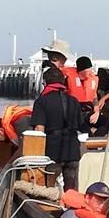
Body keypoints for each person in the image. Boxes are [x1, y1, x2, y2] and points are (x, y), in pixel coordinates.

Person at [30, 62, 83, 192]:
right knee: (71, 188)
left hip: (52, 152)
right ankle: (71, 210)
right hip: (72, 150)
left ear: (46, 83)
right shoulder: (73, 101)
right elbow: (80, 126)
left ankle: (51, 209)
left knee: (49, 188)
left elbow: (39, 130)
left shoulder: (42, 101)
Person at [65, 55, 98, 125]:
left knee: (106, 122)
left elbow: (94, 97)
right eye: (88, 68)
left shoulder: (93, 79)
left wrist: (97, 111)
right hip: (74, 111)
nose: (90, 71)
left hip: (89, 110)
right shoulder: (67, 80)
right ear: (81, 70)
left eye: (90, 68)